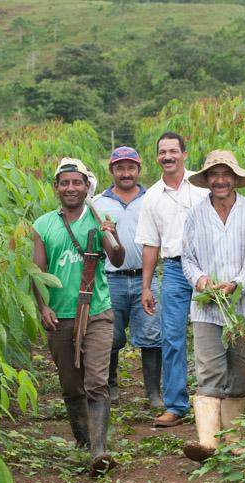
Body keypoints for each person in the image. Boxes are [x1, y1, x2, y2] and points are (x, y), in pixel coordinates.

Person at [179, 150, 245, 462]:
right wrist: (203, 280)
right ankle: (207, 442)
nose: (220, 180)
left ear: (235, 179)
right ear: (206, 180)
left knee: (240, 371)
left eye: (226, 175)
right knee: (209, 368)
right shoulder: (194, 215)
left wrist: (235, 283)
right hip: (207, 306)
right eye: (214, 175)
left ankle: (234, 438)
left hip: (244, 304)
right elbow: (187, 259)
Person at [32, 157, 125, 476]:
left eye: (77, 183)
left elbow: (117, 257)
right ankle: (84, 441)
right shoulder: (43, 225)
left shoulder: (100, 218)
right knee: (72, 386)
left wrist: (111, 234)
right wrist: (44, 307)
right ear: (56, 188)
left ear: (87, 187)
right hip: (61, 316)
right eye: (64, 183)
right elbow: (38, 272)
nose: (71, 188)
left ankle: (100, 450)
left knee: (97, 382)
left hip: (97, 310)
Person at [134, 132, 207, 427]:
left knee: (211, 334)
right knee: (172, 337)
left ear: (184, 154)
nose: (168, 156)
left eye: (173, 151)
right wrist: (147, 286)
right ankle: (176, 405)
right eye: (162, 152)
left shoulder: (202, 187)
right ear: (157, 158)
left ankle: (215, 400)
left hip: (206, 267)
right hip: (175, 270)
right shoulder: (151, 197)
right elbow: (150, 245)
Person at [93, 147, 163, 407]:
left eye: (130, 167)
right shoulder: (99, 203)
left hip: (146, 277)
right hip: (111, 278)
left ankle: (153, 392)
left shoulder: (152, 199)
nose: (125, 173)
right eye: (120, 168)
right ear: (111, 171)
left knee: (152, 333)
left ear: (138, 170)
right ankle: (110, 386)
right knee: (109, 335)